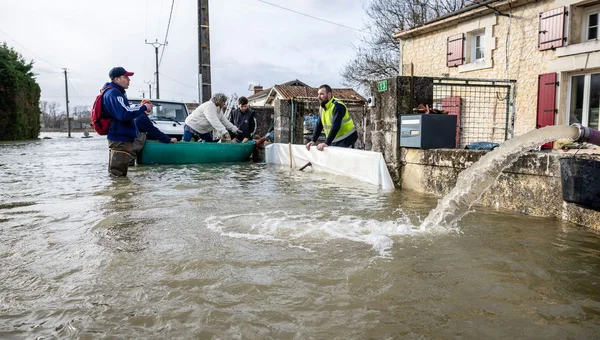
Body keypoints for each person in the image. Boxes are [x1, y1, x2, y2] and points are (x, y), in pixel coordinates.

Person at [102, 66, 153, 177]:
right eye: (125, 77)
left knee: (117, 175)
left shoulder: (113, 92)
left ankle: (119, 193)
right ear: (116, 79)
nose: (129, 80)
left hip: (119, 137)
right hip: (120, 139)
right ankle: (120, 194)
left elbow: (125, 110)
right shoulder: (114, 93)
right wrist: (143, 107)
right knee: (119, 176)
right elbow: (124, 113)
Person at [306, 84, 358, 151]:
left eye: (322, 94)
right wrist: (313, 140)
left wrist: (326, 142)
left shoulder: (338, 106)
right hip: (335, 140)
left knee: (339, 160)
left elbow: (335, 126)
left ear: (329, 94)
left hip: (347, 138)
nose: (319, 97)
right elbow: (319, 125)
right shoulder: (322, 107)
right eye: (318, 94)